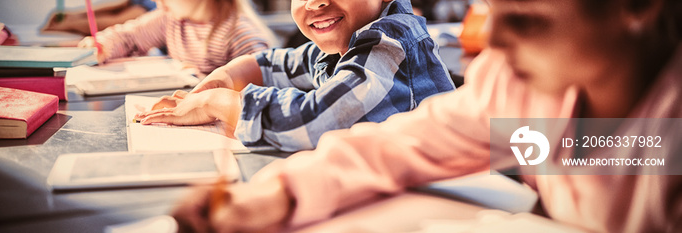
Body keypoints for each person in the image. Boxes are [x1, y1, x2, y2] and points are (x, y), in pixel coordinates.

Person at [170, 0, 682, 232]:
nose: (492, 43)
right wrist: (278, 194)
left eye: (526, 16)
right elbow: (404, 144)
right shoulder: (520, 85)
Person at [135, 0, 456, 151]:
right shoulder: (340, 43)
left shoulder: (390, 40)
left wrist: (218, 102)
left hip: (454, 202)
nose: (315, 2)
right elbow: (272, 64)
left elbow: (316, 123)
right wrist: (224, 77)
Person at [78, 0, 276, 75]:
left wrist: (201, 79)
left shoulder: (240, 35)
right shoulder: (171, 19)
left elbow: (261, 86)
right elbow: (129, 37)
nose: (157, 1)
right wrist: (103, 45)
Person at [41, 0, 157, 36]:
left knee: (121, 17)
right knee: (121, 6)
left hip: (147, 8)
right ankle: (70, 19)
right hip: (144, 5)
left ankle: (68, 23)